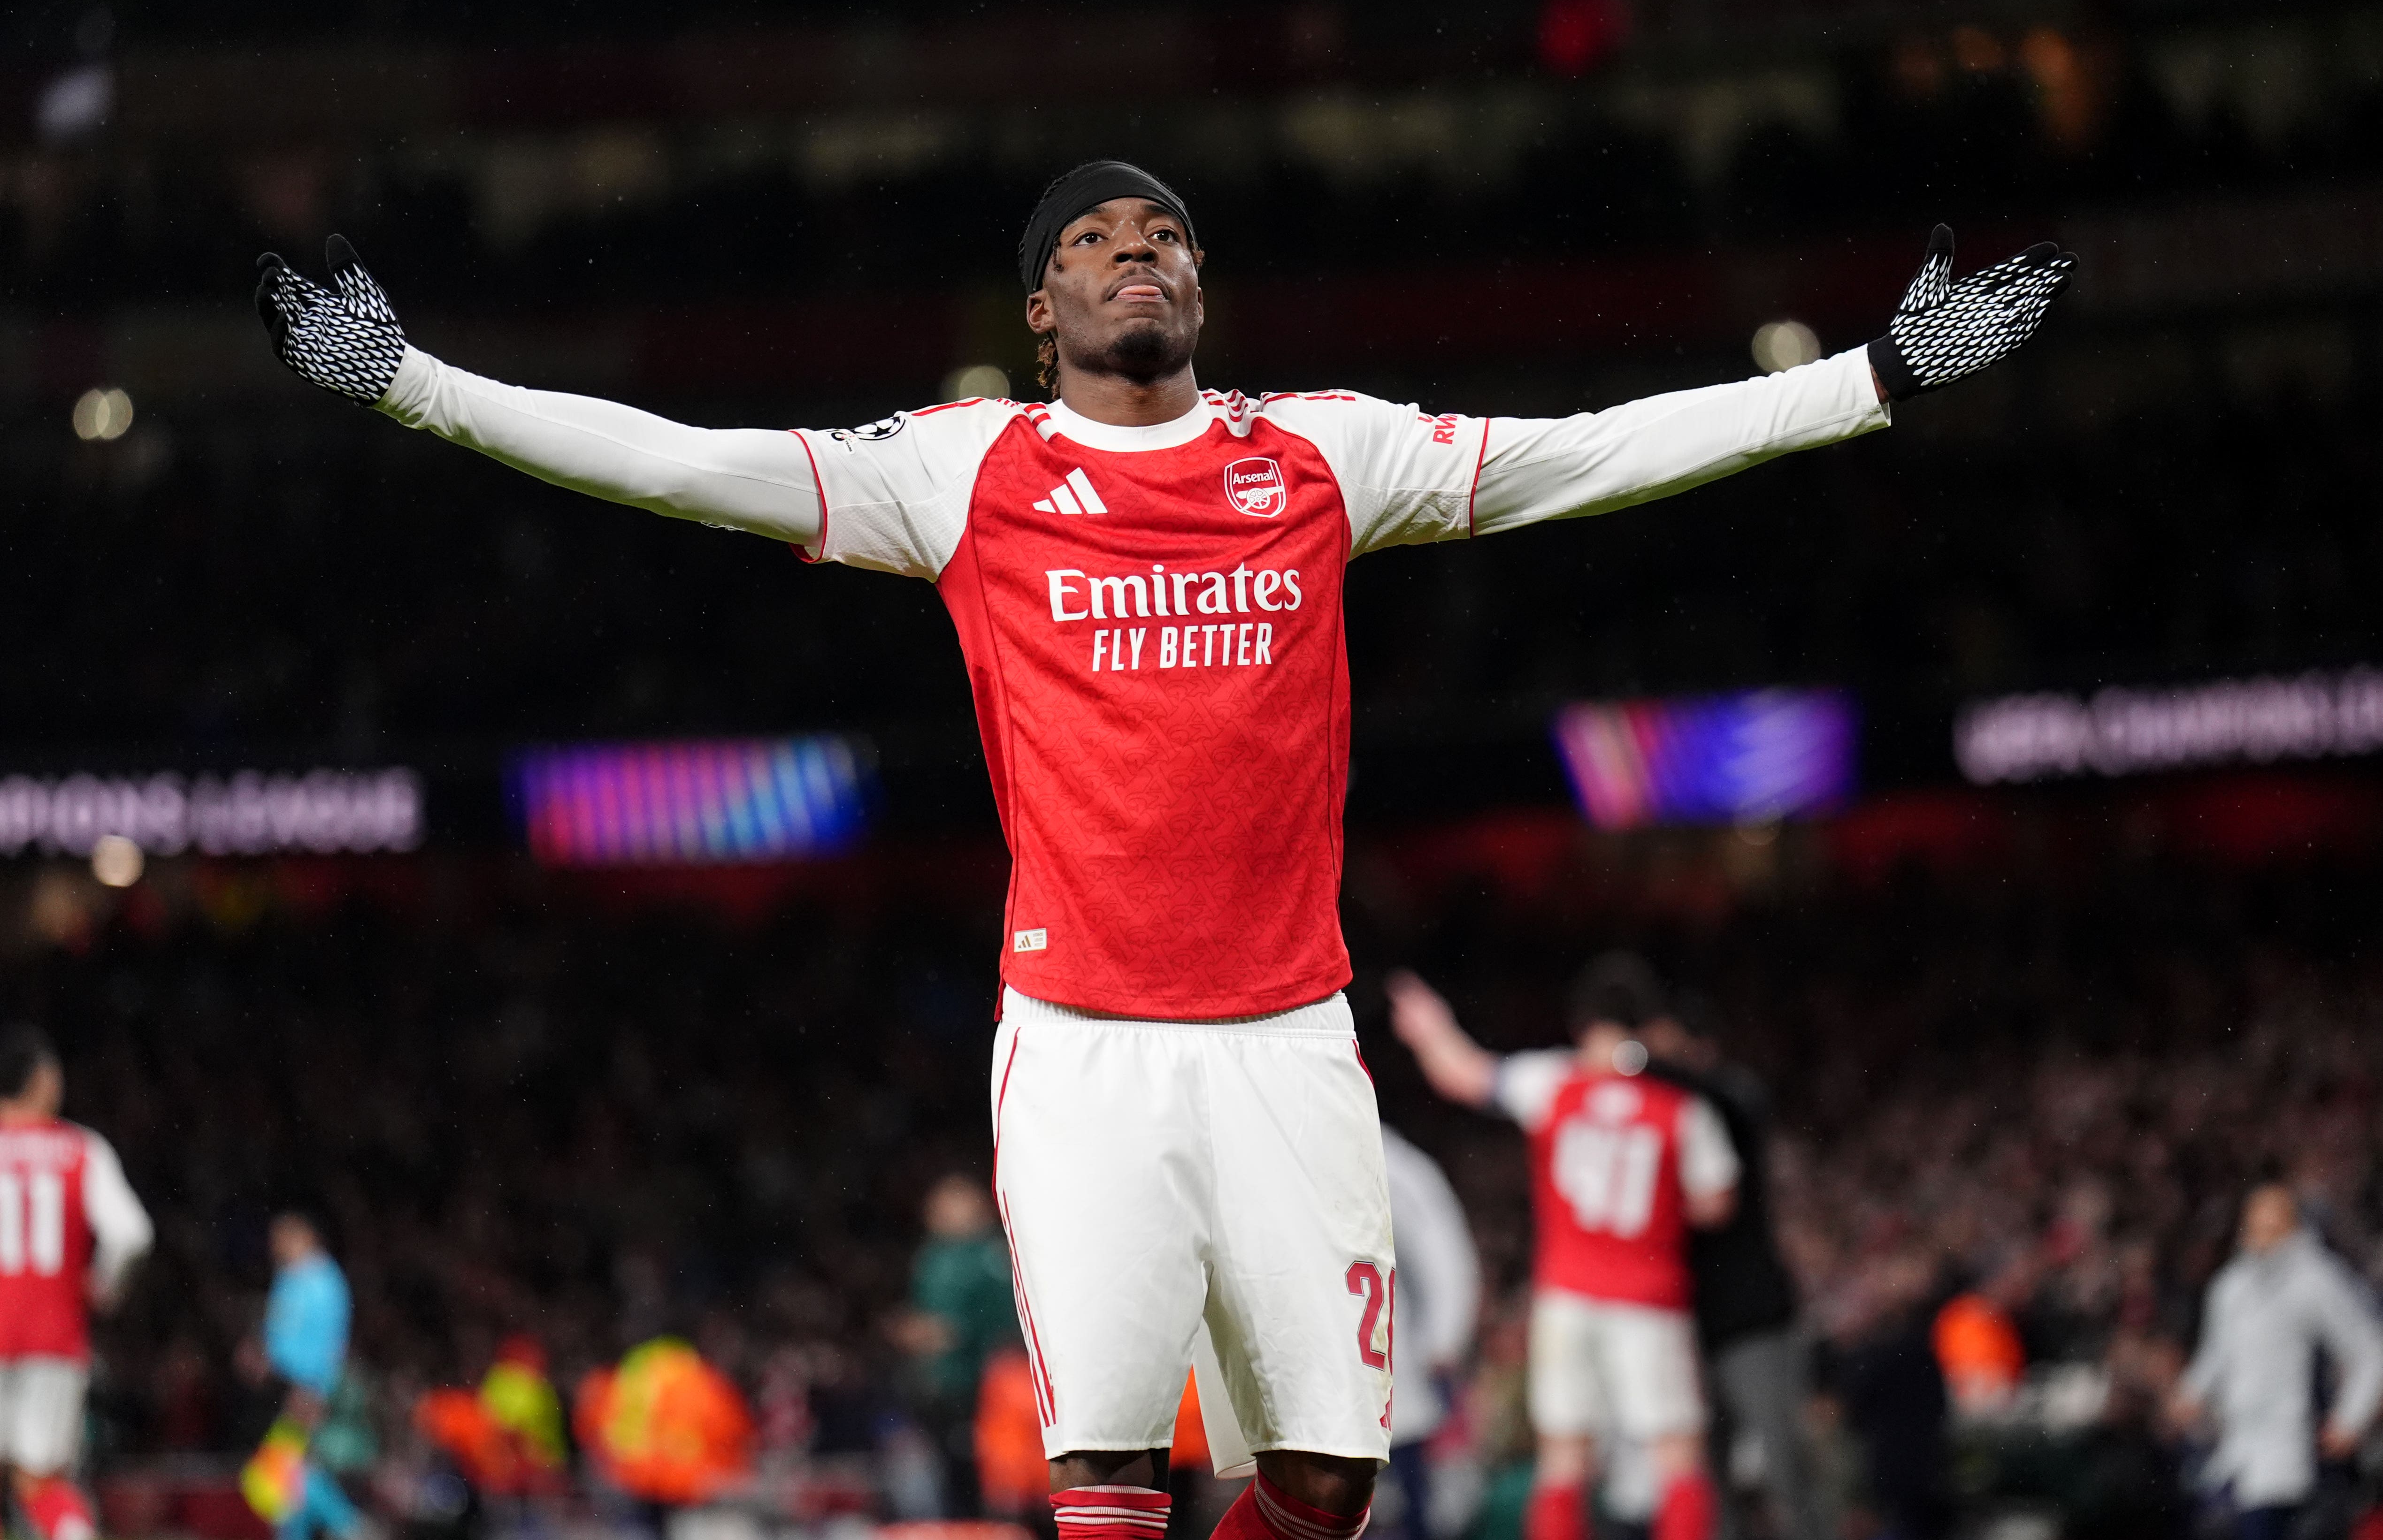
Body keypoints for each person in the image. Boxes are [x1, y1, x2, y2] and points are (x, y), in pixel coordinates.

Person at [253, 162, 2071, 1540]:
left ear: (1203, 287)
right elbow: (680, 463)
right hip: (1084, 1049)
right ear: (1041, 308)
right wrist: (413, 381)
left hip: (1290, 1036)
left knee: (1329, 1482)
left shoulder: (1326, 455)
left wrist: (1876, 374)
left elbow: (1591, 453)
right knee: (1108, 1469)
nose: (1138, 252)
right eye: (1096, 241)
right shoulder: (963, 470)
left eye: (1167, 236)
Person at [1389, 960, 1741, 1540]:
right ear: (1648, 1026)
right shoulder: (1679, 1105)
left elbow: (1462, 1074)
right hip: (1650, 1300)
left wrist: (1429, 1026)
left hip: (1568, 1300)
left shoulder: (1554, 1082)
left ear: (1582, 1023)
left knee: (1563, 1460)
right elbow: (1715, 1202)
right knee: (1675, 1456)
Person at [1637, 1001, 1832, 1540]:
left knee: (1785, 1464)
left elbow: (1727, 1102)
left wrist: (1646, 1061)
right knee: (1707, 1482)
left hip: (1754, 1320)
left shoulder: (1728, 1098)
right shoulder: (1659, 1124)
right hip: (1691, 1325)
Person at [0, 1024, 154, 1540]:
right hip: (54, 1338)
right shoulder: (80, 1149)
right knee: (41, 1482)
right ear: (42, 1080)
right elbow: (132, 1234)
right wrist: (104, 1285)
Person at [2170, 1183, 2383, 1540]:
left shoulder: (2315, 1279)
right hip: (2235, 1445)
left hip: (2299, 1448)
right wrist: (2191, 1392)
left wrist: (2350, 1418)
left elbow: (2368, 1349)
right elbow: (2217, 1352)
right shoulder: (2232, 1285)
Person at [896, 1174, 1022, 1515]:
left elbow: (1006, 1319)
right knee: (943, 1471)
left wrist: (958, 1332)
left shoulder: (992, 1255)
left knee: (982, 1473)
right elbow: (924, 1314)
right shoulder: (931, 1257)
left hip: (982, 1385)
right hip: (938, 1386)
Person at [1379, 1127, 1482, 1540]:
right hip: (1316, 1374)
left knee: (1414, 1506)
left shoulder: (1388, 1159)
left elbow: (1441, 1251)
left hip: (1391, 1368)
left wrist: (1443, 1338)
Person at [246, 1212, 366, 1540]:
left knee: (273, 1475)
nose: (276, 1248)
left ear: (307, 1238)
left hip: (305, 1388)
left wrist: (313, 1386)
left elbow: (328, 1341)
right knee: (288, 1474)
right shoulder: (291, 1278)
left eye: (283, 1239)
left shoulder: (323, 1281)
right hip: (281, 1386)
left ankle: (349, 1525)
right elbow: (281, 1332)